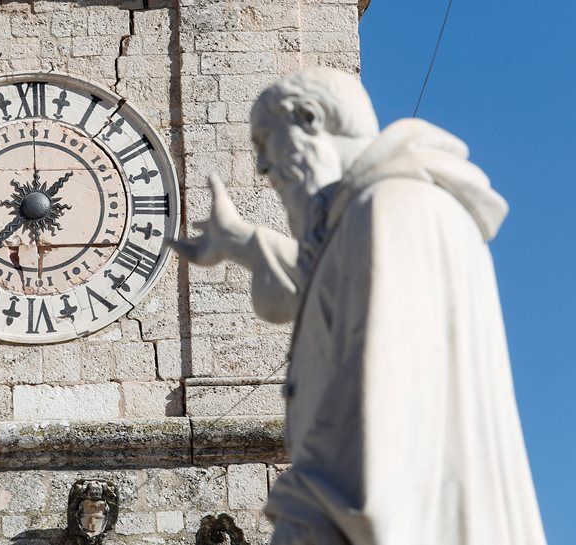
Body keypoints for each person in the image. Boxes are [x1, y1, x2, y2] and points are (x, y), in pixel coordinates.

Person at [170, 68, 547, 545]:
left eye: (266, 141)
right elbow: (324, 282)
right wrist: (246, 243)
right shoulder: (383, 212)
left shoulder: (392, 209)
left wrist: (305, 510)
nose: (262, 167)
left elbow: (376, 392)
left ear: (310, 119)